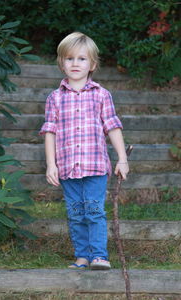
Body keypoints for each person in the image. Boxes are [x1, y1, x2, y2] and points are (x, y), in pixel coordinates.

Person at [39, 32, 129, 270]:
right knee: (76, 212)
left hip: (95, 166)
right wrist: (51, 164)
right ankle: (82, 255)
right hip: (68, 167)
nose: (75, 63)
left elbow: (112, 126)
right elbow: (50, 132)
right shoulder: (55, 98)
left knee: (94, 210)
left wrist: (122, 159)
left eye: (81, 59)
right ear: (61, 63)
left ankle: (99, 255)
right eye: (69, 58)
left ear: (93, 65)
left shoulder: (101, 95)